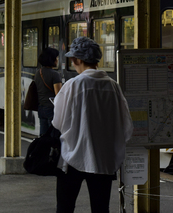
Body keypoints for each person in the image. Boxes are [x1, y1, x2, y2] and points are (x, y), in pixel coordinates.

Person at [52, 37, 133, 213]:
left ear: (78, 60)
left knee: (65, 208)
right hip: (103, 160)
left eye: (73, 59)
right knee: (101, 208)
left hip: (72, 157)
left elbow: (57, 122)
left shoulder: (73, 85)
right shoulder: (113, 86)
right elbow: (126, 127)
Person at [35, 47, 62, 136]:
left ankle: (42, 150)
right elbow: (58, 94)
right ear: (52, 59)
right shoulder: (55, 74)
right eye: (56, 58)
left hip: (41, 107)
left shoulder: (38, 73)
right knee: (53, 136)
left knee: (43, 135)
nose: (57, 60)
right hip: (52, 109)